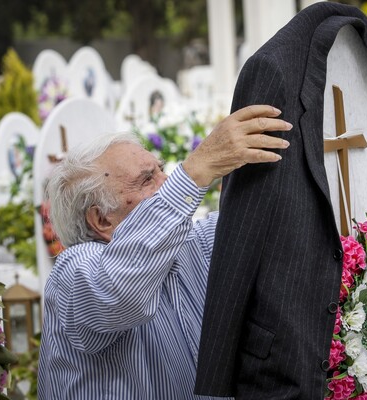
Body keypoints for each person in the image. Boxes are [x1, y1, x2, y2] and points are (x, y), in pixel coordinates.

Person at [37, 105, 292, 399]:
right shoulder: (73, 272)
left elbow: (268, 224)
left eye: (161, 169)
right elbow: (119, 291)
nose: (167, 182)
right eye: (147, 179)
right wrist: (196, 170)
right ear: (102, 220)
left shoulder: (191, 243)